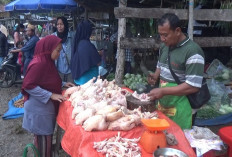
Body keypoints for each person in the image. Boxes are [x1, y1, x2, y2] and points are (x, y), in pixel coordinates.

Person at [147, 13, 205, 129]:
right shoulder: (165, 46)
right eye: (160, 35)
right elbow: (161, 65)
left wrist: (163, 91)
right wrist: (155, 76)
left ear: (177, 31)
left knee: (179, 141)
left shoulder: (193, 52)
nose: (162, 39)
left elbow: (193, 86)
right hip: (164, 104)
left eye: (165, 35)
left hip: (183, 106)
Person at [21, 35, 74, 157]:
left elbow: (47, 80)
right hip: (39, 111)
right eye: (58, 50)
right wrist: (51, 95)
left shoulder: (47, 62)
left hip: (44, 110)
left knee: (45, 142)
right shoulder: (39, 63)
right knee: (43, 144)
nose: (59, 54)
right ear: (49, 48)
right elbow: (28, 85)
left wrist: (63, 84)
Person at [71, 20, 101, 85]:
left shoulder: (77, 43)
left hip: (79, 80)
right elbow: (98, 63)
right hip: (88, 81)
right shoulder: (88, 45)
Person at [53, 16, 74, 82]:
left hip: (71, 71)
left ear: (65, 25)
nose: (59, 26)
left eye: (61, 24)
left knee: (70, 90)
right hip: (58, 71)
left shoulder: (72, 36)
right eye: (58, 24)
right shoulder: (53, 37)